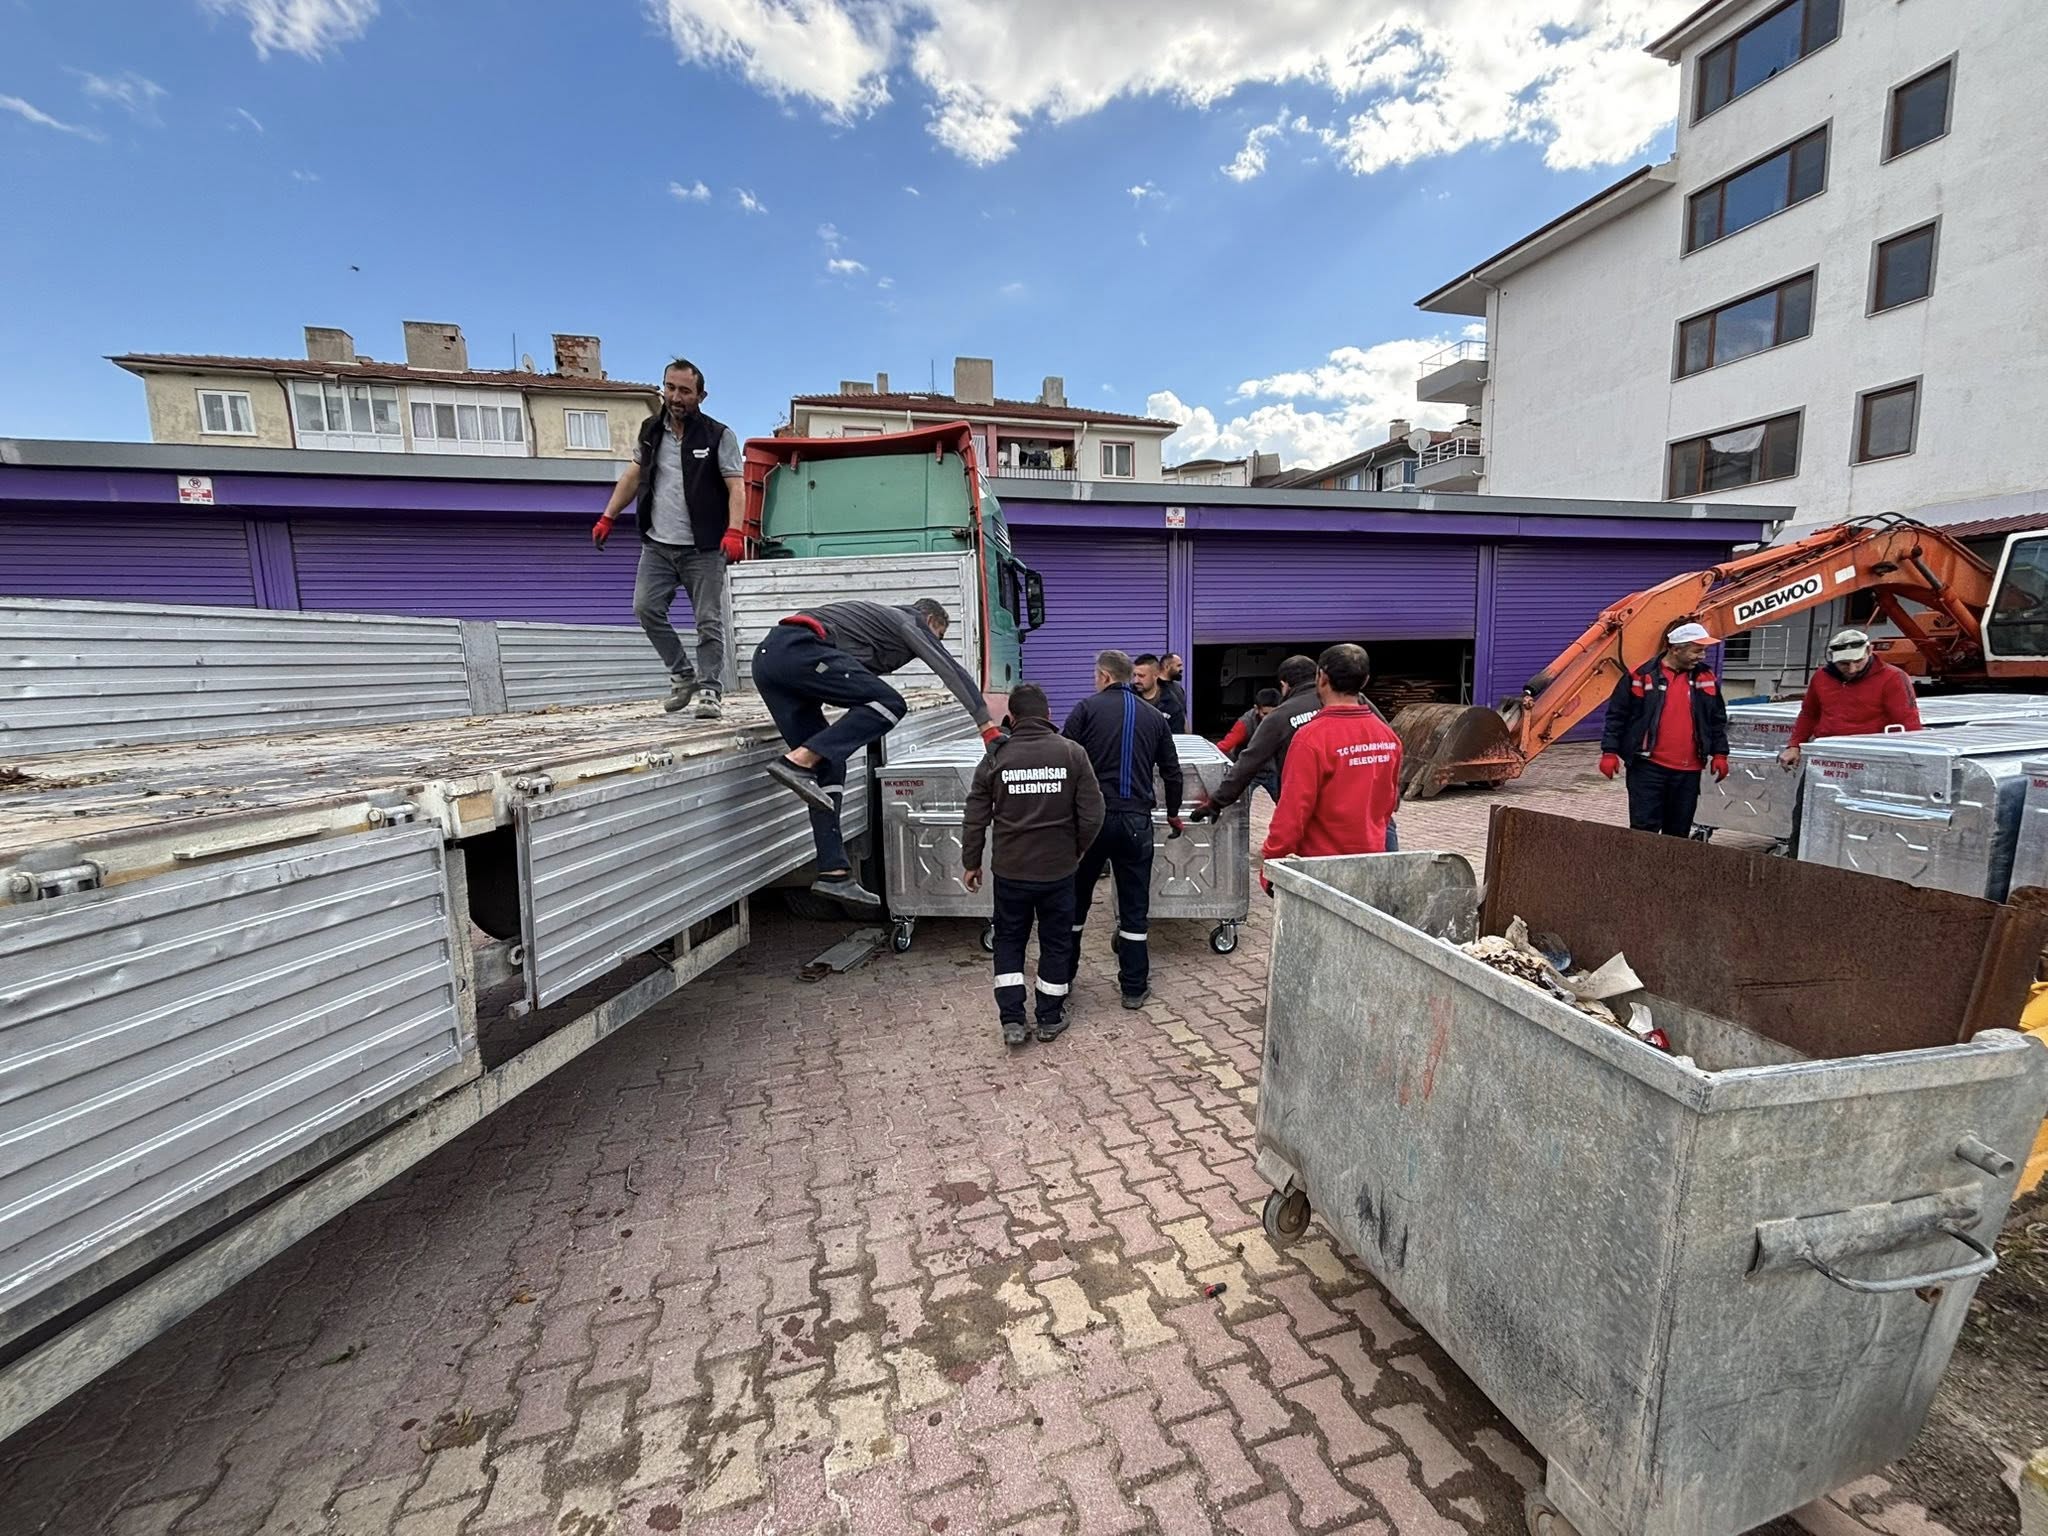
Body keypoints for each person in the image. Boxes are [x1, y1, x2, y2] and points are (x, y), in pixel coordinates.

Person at [755, 598, 1003, 908]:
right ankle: (797, 762)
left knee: (829, 767)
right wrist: (986, 727)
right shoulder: (908, 621)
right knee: (890, 704)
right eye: (934, 637)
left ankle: (834, 873)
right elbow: (948, 669)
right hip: (798, 649)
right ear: (929, 622)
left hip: (769, 662)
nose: (923, 650)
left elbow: (847, 680)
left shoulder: (874, 628)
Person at [592, 359, 747, 720]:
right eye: (671, 388)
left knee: (708, 619)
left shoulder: (718, 436)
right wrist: (607, 516)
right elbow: (633, 475)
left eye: (685, 391)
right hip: (658, 544)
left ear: (701, 395)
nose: (676, 397)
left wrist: (735, 530)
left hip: (703, 546)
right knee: (645, 608)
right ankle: (682, 674)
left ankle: (710, 689)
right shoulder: (650, 430)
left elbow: (735, 485)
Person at [962, 683, 1105, 1047]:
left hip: (1010, 870)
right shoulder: (1072, 753)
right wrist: (1077, 849)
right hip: (1058, 871)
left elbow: (976, 814)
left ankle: (1012, 1019)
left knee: (1009, 940)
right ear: (1049, 715)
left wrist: (971, 861)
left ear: (1011, 717)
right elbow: (1093, 813)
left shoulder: (996, 757)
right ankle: (1049, 1017)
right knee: (1056, 941)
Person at [1063, 650, 1184, 1009]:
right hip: (1135, 822)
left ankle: (1062, 979)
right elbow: (1171, 772)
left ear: (1103, 676)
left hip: (1091, 824)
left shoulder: (1085, 710)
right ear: (1127, 676)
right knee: (1134, 908)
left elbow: (1065, 760)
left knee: (1075, 904)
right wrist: (1174, 812)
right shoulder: (1154, 716)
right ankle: (1133, 988)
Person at [1261, 645, 1403, 869]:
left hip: (1321, 870)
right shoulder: (1388, 737)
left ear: (1322, 678)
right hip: (1372, 863)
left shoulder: (1310, 739)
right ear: (1365, 681)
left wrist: (1272, 862)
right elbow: (1389, 803)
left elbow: (1292, 813)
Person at [1599, 620, 1729, 837]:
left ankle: (1671, 871)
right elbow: (1616, 717)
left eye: (1703, 651)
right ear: (1676, 649)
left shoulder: (1705, 678)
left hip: (1688, 772)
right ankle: (1642, 870)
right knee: (1644, 830)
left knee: (1678, 833)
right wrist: (1609, 752)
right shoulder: (1640, 676)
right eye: (1697, 651)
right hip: (1648, 767)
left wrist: (1720, 753)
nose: (1702, 657)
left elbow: (1716, 718)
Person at [1777, 628, 1922, 770]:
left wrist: (1911, 762)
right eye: (1844, 663)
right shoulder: (1821, 676)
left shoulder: (1893, 677)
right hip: (1826, 751)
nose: (1852, 669)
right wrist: (1794, 745)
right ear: (1832, 657)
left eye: (1858, 661)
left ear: (1869, 651)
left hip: (1870, 755)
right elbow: (1809, 714)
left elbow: (1907, 721)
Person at [1216, 688, 1282, 802]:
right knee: (1241, 808)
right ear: (1256, 709)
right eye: (1265, 714)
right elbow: (1224, 746)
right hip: (1247, 772)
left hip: (1273, 770)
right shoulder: (1245, 723)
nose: (1269, 718)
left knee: (1285, 805)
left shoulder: (1283, 719)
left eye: (1274, 714)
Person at [1131, 654, 1187, 733]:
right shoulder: (1127, 697)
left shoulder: (1172, 703)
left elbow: (1178, 735)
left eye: (1141, 676)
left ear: (1156, 675)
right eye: (1134, 675)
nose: (1136, 680)